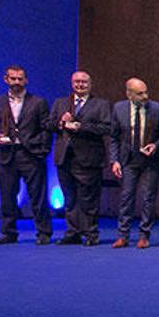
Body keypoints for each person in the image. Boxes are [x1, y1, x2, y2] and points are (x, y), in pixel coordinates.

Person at [0, 65, 52, 245]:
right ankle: (9, 232)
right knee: (7, 196)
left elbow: (46, 128)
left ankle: (44, 233)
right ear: (6, 79)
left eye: (20, 79)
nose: (16, 82)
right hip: (6, 156)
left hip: (31, 155)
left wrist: (42, 149)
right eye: (13, 79)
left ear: (26, 80)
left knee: (38, 196)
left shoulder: (38, 102)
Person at [47, 70, 111, 247]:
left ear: (90, 84)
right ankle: (72, 232)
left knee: (88, 199)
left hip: (89, 158)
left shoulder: (100, 104)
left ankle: (90, 233)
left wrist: (81, 127)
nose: (80, 85)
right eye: (77, 82)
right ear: (71, 83)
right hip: (65, 158)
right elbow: (49, 125)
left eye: (84, 82)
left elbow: (106, 128)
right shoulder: (61, 103)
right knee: (69, 198)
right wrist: (61, 122)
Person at [110, 78, 159, 249]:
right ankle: (123, 235)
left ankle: (144, 235)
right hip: (129, 160)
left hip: (150, 161)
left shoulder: (157, 109)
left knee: (148, 198)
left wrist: (155, 145)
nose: (145, 96)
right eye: (140, 94)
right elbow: (114, 137)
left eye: (146, 92)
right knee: (126, 197)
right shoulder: (119, 109)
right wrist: (114, 160)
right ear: (129, 94)